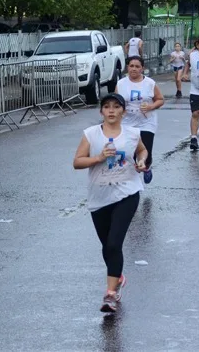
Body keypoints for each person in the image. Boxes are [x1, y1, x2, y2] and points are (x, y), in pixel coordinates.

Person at [73, 92, 147, 313]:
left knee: (114, 243)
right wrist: (98, 158)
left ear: (123, 111)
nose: (112, 110)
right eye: (107, 107)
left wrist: (141, 161)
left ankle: (110, 294)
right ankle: (118, 276)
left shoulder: (133, 134)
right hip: (99, 197)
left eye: (116, 106)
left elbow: (141, 150)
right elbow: (77, 162)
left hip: (127, 193)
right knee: (107, 247)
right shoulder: (91, 135)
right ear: (101, 111)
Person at [114, 56, 164, 182]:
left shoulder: (150, 83)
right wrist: (119, 111)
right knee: (128, 150)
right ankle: (131, 175)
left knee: (145, 150)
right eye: (131, 66)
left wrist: (151, 106)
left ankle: (146, 166)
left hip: (146, 122)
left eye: (137, 66)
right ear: (127, 67)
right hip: (127, 122)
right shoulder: (121, 84)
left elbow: (160, 99)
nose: (134, 69)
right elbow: (115, 103)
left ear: (142, 68)